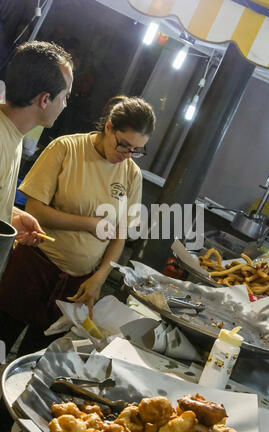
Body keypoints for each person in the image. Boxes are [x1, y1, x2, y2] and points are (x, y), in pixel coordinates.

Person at [0, 95, 156, 359]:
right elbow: (36, 211)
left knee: (39, 363)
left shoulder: (131, 174)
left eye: (136, 150)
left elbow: (120, 233)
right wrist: (90, 224)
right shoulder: (66, 149)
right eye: (123, 145)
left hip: (77, 285)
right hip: (33, 267)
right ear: (108, 127)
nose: (127, 156)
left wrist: (99, 278)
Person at [0, 40, 73, 245]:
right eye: (65, 97)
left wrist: (11, 216)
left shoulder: (13, 133)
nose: (65, 105)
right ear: (45, 99)